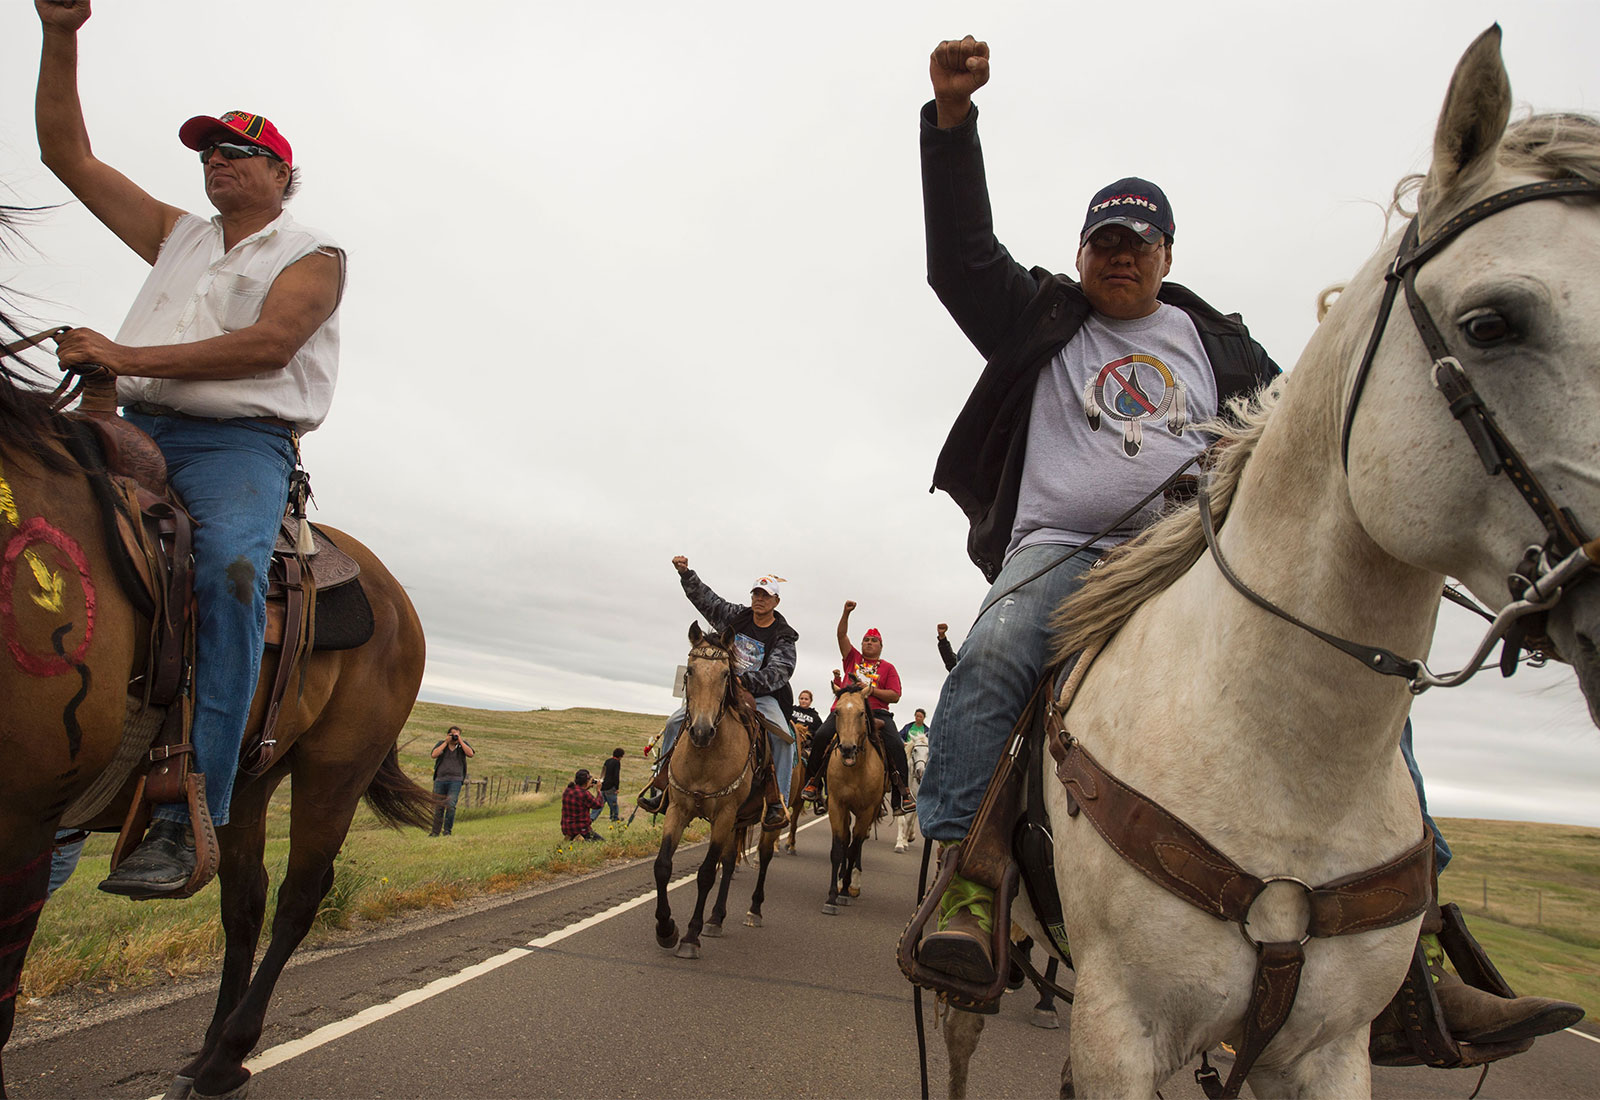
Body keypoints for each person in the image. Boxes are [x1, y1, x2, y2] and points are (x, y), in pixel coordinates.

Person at [911, 34, 1582, 1047]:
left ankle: (1418, 942)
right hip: (1069, 546)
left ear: (1169, 254)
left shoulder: (1219, 343)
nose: (1120, 254)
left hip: (1199, 551)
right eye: (1104, 241)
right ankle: (968, 876)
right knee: (1000, 650)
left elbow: (1299, 434)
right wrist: (952, 123)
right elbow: (959, 257)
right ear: (1081, 252)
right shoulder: (1037, 317)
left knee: (1369, 676)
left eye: (1139, 240)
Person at [36, 1, 346, 899]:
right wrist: (62, 34)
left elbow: (269, 347)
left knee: (229, 575)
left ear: (280, 173)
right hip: (130, 420)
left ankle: (185, 804)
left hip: (237, 445)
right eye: (206, 152)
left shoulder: (313, 253)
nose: (215, 162)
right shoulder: (177, 236)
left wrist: (123, 355)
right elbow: (69, 157)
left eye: (235, 151)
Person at [637, 560, 798, 829]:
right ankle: (661, 785)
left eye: (766, 596)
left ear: (776, 601)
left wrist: (745, 679)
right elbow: (707, 600)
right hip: (721, 688)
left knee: (783, 737)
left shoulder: (783, 635)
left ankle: (776, 801)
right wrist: (686, 574)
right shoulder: (736, 616)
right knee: (675, 722)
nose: (760, 599)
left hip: (761, 695)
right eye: (756, 594)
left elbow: (781, 672)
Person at [799, 604, 915, 814]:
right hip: (845, 710)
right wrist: (846, 613)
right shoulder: (852, 658)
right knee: (822, 735)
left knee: (896, 745)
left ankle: (902, 794)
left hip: (877, 712)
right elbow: (841, 634)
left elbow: (895, 695)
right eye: (866, 640)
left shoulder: (888, 668)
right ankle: (813, 784)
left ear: (881, 645)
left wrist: (871, 690)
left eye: (874, 641)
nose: (869, 643)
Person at [429, 727, 474, 837]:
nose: (454, 737)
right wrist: (446, 742)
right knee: (438, 806)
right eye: (452, 734)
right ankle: (435, 832)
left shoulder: (462, 746)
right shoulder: (441, 744)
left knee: (451, 805)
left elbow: (470, 754)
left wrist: (461, 741)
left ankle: (447, 831)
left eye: (457, 735)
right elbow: (434, 755)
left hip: (455, 780)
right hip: (440, 780)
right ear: (448, 734)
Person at [561, 769, 604, 842]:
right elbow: (598, 805)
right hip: (582, 829)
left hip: (566, 828)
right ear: (586, 781)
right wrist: (599, 791)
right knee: (602, 842)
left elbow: (580, 793)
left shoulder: (567, 790)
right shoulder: (584, 794)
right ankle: (579, 838)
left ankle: (571, 837)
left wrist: (587, 787)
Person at [599, 748, 625, 822]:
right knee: (613, 805)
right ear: (620, 756)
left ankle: (592, 817)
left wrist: (601, 783)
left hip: (603, 786)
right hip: (610, 787)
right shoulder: (617, 762)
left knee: (599, 805)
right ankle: (614, 818)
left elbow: (603, 772)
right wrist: (616, 787)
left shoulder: (607, 761)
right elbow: (616, 776)